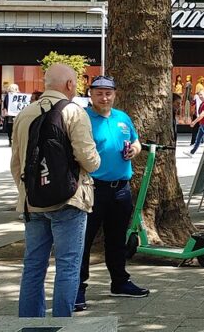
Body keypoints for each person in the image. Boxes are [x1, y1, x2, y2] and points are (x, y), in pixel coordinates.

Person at [12, 64, 101, 317]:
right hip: (69, 200)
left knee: (33, 266)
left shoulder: (25, 113)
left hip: (33, 202)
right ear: (70, 85)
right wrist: (96, 162)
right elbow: (88, 159)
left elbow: (16, 162)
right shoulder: (73, 111)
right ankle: (63, 321)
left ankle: (30, 324)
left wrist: (28, 191)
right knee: (68, 265)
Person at [76, 76, 148, 312]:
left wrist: (134, 150)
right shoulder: (83, 118)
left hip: (121, 190)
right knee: (83, 241)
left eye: (108, 93)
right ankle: (77, 288)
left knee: (117, 240)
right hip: (93, 189)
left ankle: (120, 282)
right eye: (99, 93)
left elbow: (136, 142)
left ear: (115, 94)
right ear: (91, 94)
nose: (104, 98)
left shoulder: (122, 117)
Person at [186, 90, 204, 155]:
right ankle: (192, 152)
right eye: (199, 95)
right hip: (202, 124)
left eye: (201, 94)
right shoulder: (203, 103)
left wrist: (194, 122)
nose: (200, 96)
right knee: (198, 139)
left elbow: (203, 114)